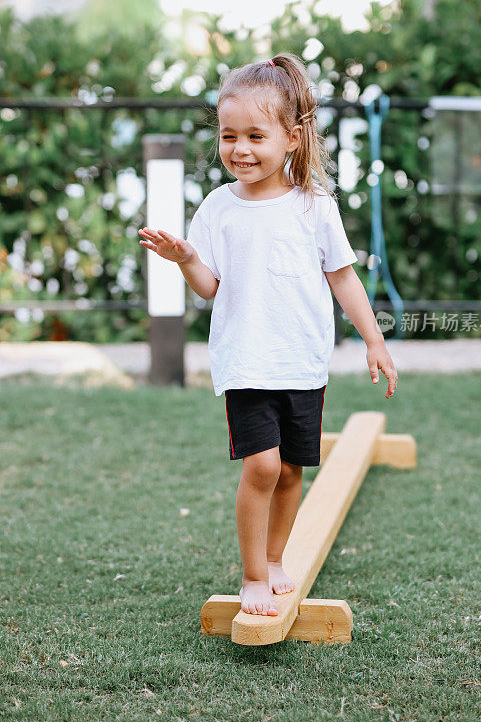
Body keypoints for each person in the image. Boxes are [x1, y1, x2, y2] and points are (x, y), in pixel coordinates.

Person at [138, 52, 398, 618]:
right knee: (261, 466)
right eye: (230, 136)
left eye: (256, 135)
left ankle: (276, 559)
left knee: (289, 471)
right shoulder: (218, 209)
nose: (241, 149)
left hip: (302, 362)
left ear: (293, 138)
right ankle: (253, 574)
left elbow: (343, 277)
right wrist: (184, 258)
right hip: (245, 362)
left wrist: (375, 340)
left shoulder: (313, 207)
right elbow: (209, 286)